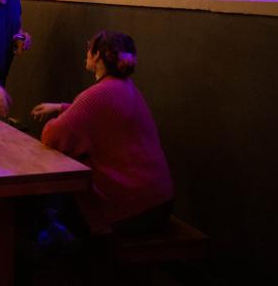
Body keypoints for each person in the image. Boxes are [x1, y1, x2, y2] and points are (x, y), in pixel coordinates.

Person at [32, 31, 173, 236]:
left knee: (56, 206)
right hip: (158, 201)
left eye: (89, 46)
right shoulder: (124, 87)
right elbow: (102, 115)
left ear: (97, 55)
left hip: (135, 208)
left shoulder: (99, 93)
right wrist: (62, 108)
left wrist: (59, 116)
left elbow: (52, 136)